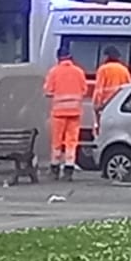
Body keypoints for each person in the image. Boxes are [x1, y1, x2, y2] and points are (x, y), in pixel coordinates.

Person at [43, 46, 89, 181]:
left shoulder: (54, 72)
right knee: (71, 142)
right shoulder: (79, 72)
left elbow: (47, 91)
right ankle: (69, 169)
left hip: (59, 113)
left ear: (58, 58)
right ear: (70, 57)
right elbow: (84, 90)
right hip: (75, 112)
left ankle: (55, 169)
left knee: (57, 142)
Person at [92, 46, 131, 129]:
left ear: (107, 56)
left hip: (106, 103)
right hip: (120, 103)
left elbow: (99, 89)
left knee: (103, 127)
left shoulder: (103, 69)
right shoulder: (124, 69)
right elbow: (129, 86)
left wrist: (96, 104)